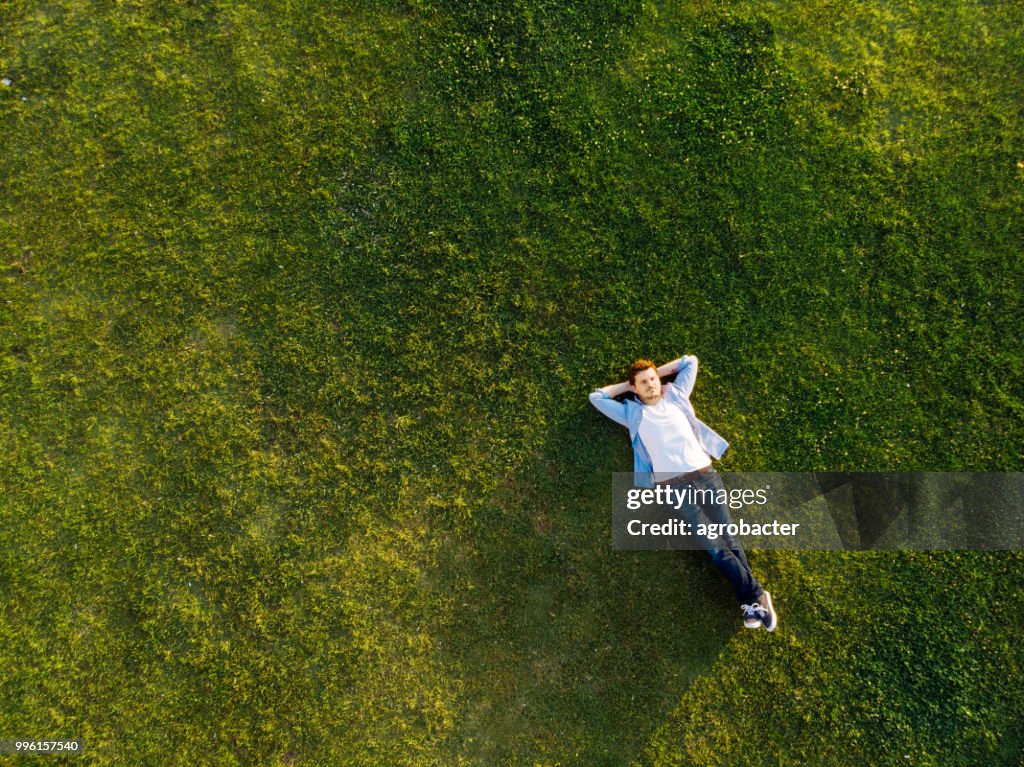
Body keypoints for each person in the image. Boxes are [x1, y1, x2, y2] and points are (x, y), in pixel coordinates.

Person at [589, 354, 778, 631]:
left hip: (706, 476)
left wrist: (658, 372)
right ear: (635, 388)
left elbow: (690, 362)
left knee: (728, 536)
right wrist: (626, 386)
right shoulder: (631, 414)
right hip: (674, 488)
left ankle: (753, 600)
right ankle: (757, 597)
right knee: (714, 548)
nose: (651, 384)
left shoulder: (676, 395)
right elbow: (597, 398)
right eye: (643, 382)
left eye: (653, 379)